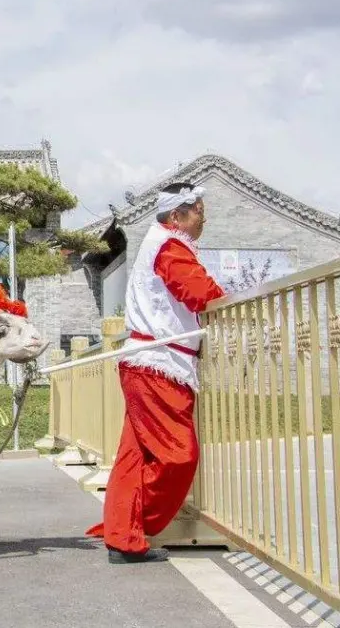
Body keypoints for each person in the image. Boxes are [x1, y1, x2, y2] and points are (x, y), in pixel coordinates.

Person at [86, 181, 226, 564]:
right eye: (198, 208)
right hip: (159, 365)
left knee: (134, 457)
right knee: (179, 456)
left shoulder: (161, 242)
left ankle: (122, 534)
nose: (203, 214)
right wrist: (226, 296)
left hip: (148, 361)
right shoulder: (170, 246)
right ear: (177, 215)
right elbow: (202, 294)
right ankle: (129, 525)